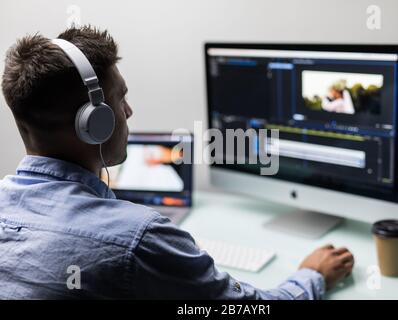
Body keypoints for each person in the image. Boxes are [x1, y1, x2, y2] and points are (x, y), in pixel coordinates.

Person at [0, 26, 354, 299]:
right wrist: (313, 275)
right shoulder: (137, 238)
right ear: (94, 122)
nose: (128, 111)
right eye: (119, 98)